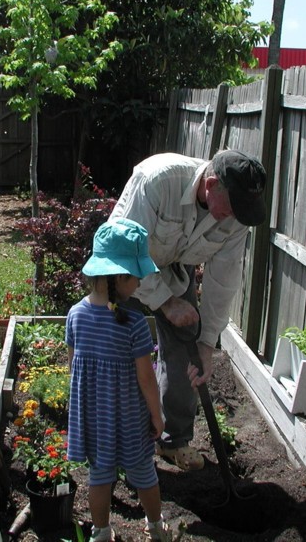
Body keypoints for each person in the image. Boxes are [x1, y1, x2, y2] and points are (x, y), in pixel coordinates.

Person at [109, 149, 267, 471]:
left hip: (171, 268)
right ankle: (115, 443)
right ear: (210, 185)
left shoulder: (236, 217)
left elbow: (223, 279)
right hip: (122, 268)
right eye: (233, 208)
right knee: (115, 353)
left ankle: (172, 441)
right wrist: (166, 302)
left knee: (188, 347)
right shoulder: (158, 181)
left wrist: (207, 342)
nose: (236, 217)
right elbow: (124, 251)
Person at [66, 218, 171, 542]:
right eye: (136, 277)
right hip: (129, 418)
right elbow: (146, 379)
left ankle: (101, 532)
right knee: (143, 473)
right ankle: (155, 527)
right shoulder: (135, 323)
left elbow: (74, 368)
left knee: (99, 478)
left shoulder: (75, 315)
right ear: (119, 276)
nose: (139, 284)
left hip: (95, 419)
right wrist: (157, 415)